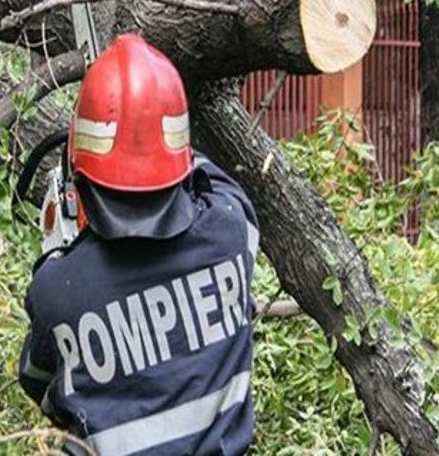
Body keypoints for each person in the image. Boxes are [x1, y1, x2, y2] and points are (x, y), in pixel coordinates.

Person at [18, 33, 259, 456]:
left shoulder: (56, 290)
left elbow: (38, 384)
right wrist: (152, 134)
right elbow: (206, 176)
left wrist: (63, 253)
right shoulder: (231, 230)